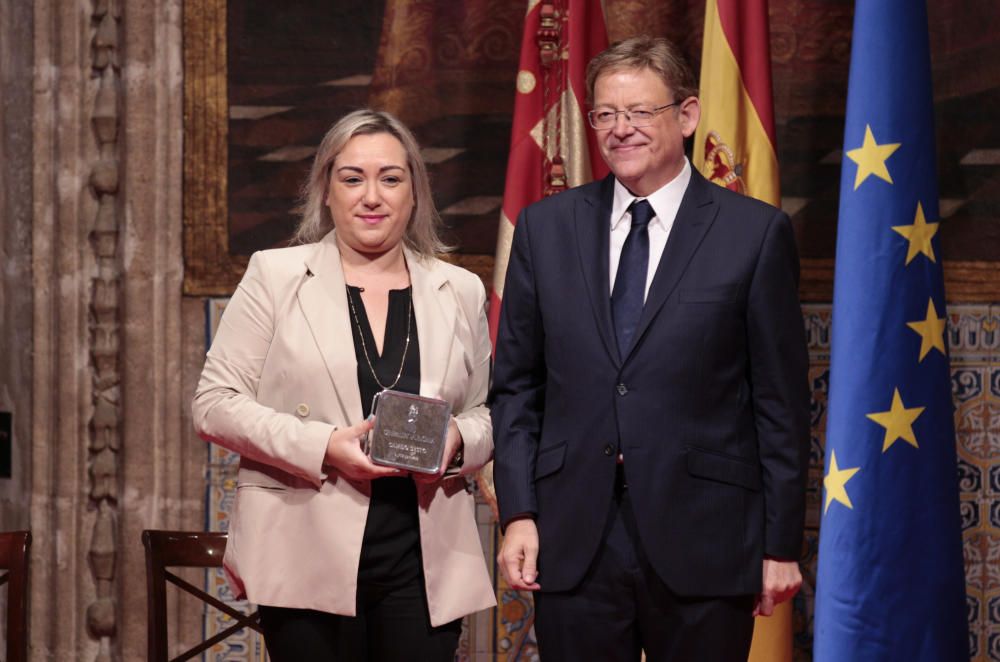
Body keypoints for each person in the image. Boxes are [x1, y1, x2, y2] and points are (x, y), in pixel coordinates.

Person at [490, 36, 810, 661]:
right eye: (605, 114)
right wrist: (519, 514)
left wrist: (779, 545)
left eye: (640, 112)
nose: (621, 129)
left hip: (707, 537)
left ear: (686, 116)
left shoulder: (753, 233)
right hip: (575, 536)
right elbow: (516, 388)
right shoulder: (545, 229)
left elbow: (780, 404)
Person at [192, 109, 495, 661]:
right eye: (352, 178)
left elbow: (486, 411)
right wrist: (323, 446)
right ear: (326, 191)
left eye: (391, 178)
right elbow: (213, 404)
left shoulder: (460, 289)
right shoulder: (276, 276)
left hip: (425, 557)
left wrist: (456, 443)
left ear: (414, 194)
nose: (371, 196)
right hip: (306, 548)